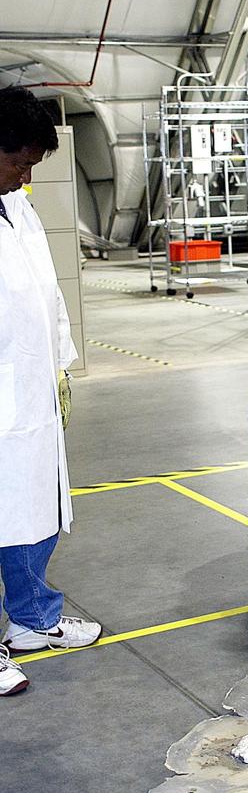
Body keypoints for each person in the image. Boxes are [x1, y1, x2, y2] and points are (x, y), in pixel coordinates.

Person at [0, 87, 101, 697]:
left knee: (35, 506)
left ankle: (33, 619)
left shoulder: (17, 205)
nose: (27, 175)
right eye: (19, 162)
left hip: (30, 392)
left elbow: (47, 291)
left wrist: (60, 366)